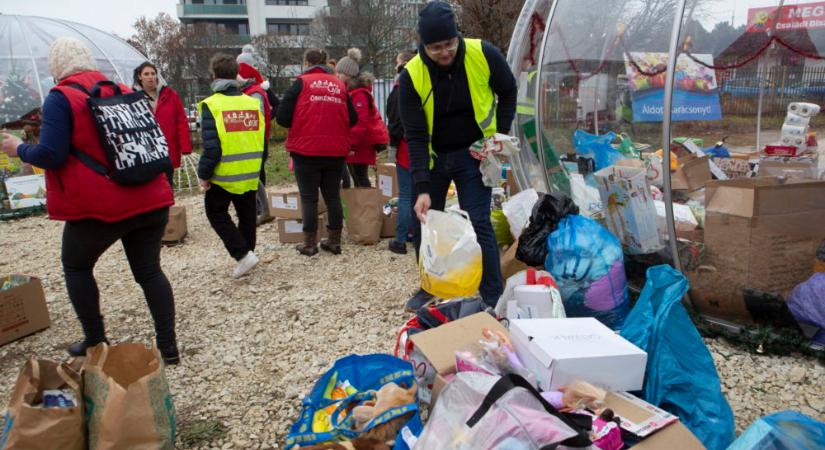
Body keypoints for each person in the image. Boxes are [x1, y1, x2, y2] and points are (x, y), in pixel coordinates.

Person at [0, 38, 178, 363]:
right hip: (150, 194)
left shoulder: (60, 97)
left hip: (102, 204)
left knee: (77, 266)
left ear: (56, 68)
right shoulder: (121, 88)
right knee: (150, 271)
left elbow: (50, 155)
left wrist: (19, 148)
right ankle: (169, 347)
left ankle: (96, 341)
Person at [399, 1, 518, 311]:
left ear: (457, 37)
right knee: (425, 221)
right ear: (423, 45)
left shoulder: (483, 53)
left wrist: (498, 136)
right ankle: (429, 287)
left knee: (479, 221)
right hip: (435, 156)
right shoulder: (412, 75)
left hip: (474, 155)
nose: (444, 52)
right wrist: (422, 186)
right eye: (435, 47)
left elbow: (508, 90)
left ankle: (492, 293)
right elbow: (414, 134)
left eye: (450, 43)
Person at [276, 48, 357, 256]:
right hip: (335, 152)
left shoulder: (300, 83)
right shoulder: (339, 85)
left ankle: (309, 244)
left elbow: (282, 117)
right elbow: (353, 118)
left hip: (306, 150)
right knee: (332, 197)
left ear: (306, 62)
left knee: (309, 198)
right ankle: (334, 241)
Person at [198, 53, 265, 278]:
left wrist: (204, 174)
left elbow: (212, 147)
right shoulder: (252, 103)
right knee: (247, 215)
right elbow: (261, 137)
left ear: (214, 75)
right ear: (236, 75)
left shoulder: (212, 104)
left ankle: (243, 255)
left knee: (215, 211)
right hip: (250, 171)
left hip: (224, 173)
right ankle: (248, 255)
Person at [132, 61, 193, 188]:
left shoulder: (170, 95)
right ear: (139, 76)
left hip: (168, 148)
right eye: (146, 74)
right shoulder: (132, 97)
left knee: (168, 184)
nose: (151, 77)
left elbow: (181, 122)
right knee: (150, 186)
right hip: (146, 150)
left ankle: (167, 207)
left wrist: (185, 147)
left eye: (153, 73)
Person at [335, 48, 388, 188]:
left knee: (360, 177)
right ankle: (363, 207)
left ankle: (367, 207)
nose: (337, 75)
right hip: (355, 142)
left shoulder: (359, 94)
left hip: (361, 143)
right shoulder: (350, 91)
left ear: (349, 74)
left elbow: (360, 122)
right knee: (357, 176)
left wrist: (351, 144)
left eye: (340, 73)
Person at [236, 45, 273, 223]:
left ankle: (260, 208)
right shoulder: (252, 91)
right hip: (255, 140)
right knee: (255, 174)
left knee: (255, 174)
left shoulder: (254, 93)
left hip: (255, 141)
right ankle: (257, 207)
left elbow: (255, 119)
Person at [386, 50, 417, 255]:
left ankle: (400, 239)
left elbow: (395, 120)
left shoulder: (400, 87)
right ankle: (418, 234)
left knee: (405, 195)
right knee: (420, 193)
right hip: (424, 145)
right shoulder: (424, 82)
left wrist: (393, 144)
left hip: (406, 146)